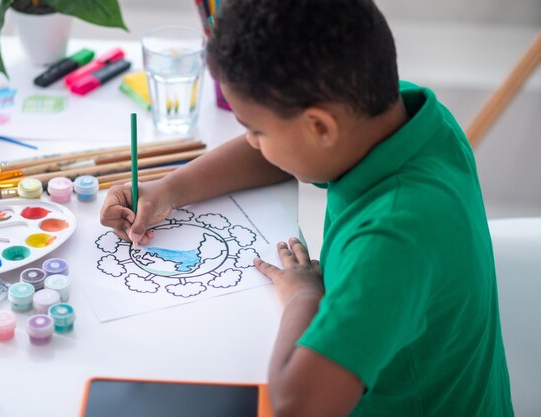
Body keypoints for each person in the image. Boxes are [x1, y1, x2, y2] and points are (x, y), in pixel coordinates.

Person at [100, 0, 514, 415]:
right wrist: (169, 189)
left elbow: (298, 406)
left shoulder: (394, 238)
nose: (251, 142)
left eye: (255, 130)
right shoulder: (402, 117)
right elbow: (272, 153)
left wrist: (303, 296)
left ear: (319, 127)